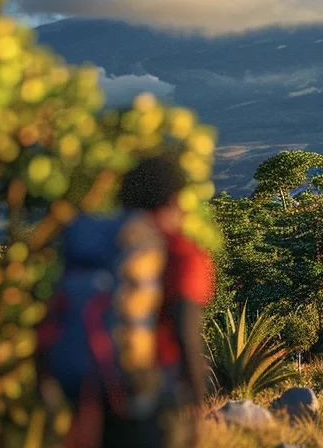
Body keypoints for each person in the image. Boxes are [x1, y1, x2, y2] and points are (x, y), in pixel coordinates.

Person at [40, 156, 212, 448]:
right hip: (151, 396)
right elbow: (184, 330)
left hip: (89, 395)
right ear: (175, 199)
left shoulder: (100, 243)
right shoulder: (181, 253)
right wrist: (198, 406)